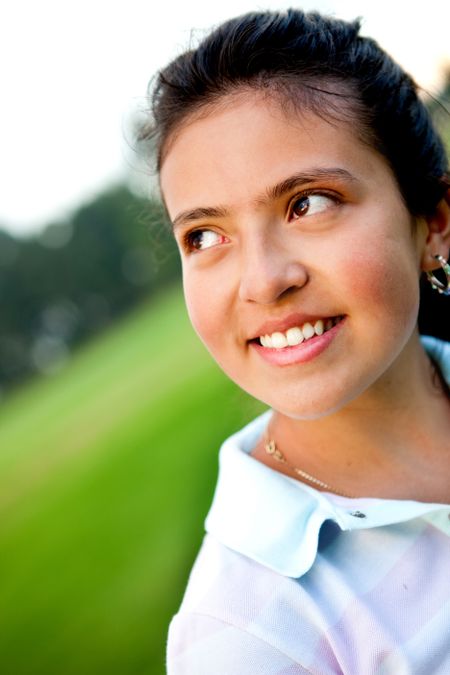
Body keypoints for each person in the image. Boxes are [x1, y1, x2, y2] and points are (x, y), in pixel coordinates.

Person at [140, 9, 450, 673]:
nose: (263, 281)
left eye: (308, 202)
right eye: (205, 236)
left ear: (434, 224)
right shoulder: (244, 637)